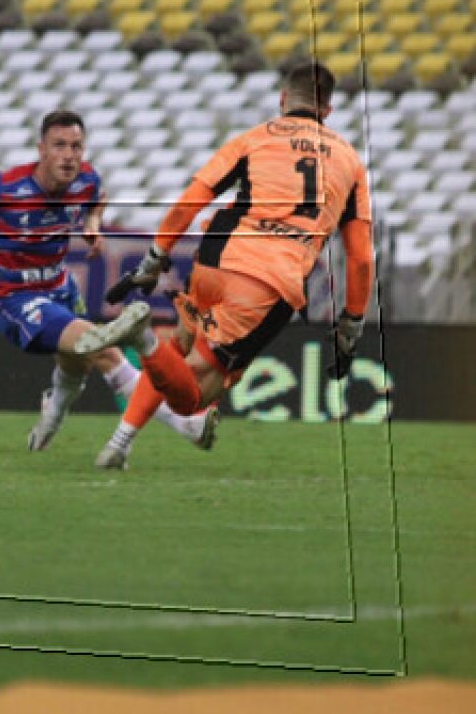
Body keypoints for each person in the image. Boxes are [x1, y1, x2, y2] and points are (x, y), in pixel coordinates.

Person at [79, 60, 375, 469]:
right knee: (196, 395)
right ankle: (142, 338)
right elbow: (360, 259)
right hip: (269, 280)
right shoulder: (349, 162)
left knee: (179, 349)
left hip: (218, 252)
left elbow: (191, 201)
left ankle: (119, 443)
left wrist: (154, 259)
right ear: (328, 109)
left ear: (284, 99)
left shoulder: (253, 140)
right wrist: (351, 325)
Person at [0, 109, 217, 454]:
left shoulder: (86, 180)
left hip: (62, 290)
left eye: (76, 147)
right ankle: (185, 424)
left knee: (77, 363)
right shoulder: (4, 188)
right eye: (60, 146)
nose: (69, 156)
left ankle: (52, 414)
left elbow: (97, 198)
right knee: (103, 348)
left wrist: (93, 223)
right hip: (19, 300)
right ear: (41, 149)